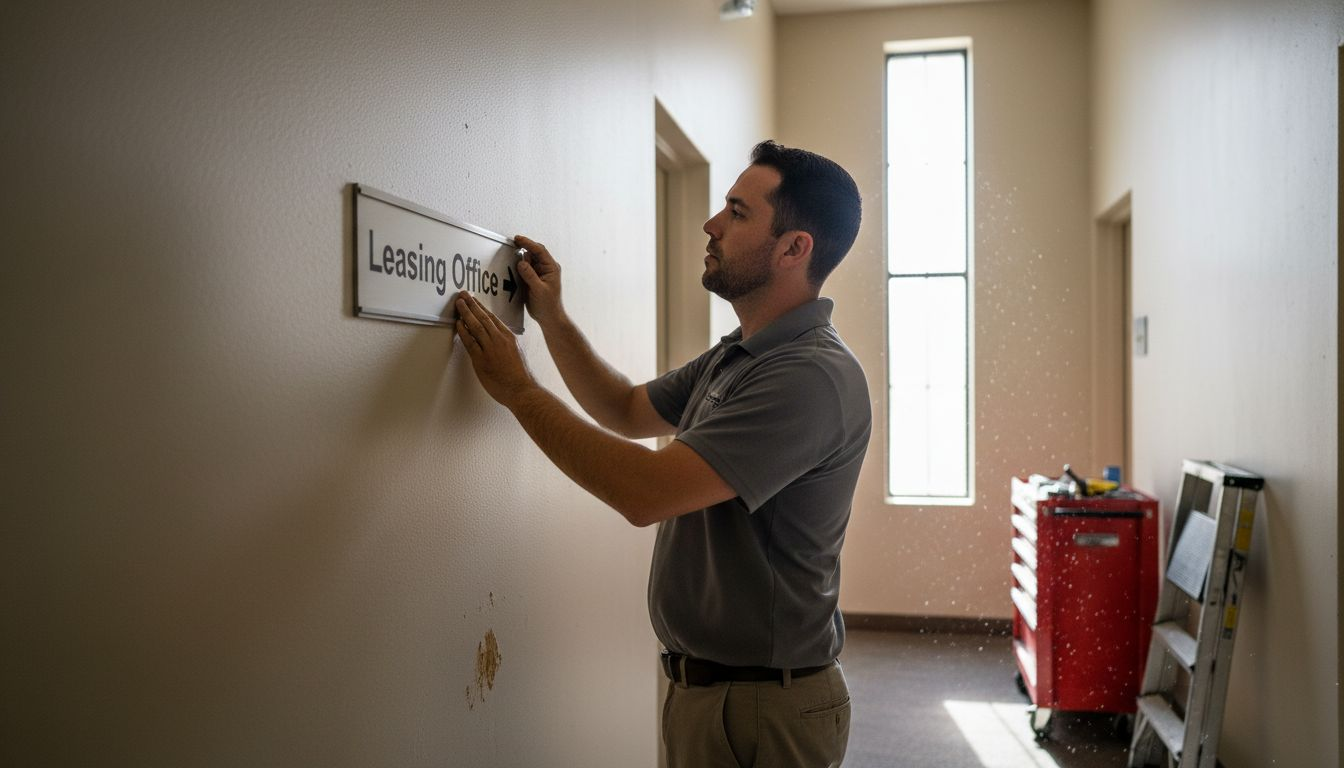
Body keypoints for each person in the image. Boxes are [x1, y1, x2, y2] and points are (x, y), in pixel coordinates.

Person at [452, 140, 870, 768]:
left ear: (793, 248)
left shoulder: (808, 376)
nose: (711, 224)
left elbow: (646, 493)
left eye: (736, 211)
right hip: (711, 693)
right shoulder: (741, 354)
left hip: (763, 709)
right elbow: (623, 408)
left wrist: (517, 390)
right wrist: (552, 318)